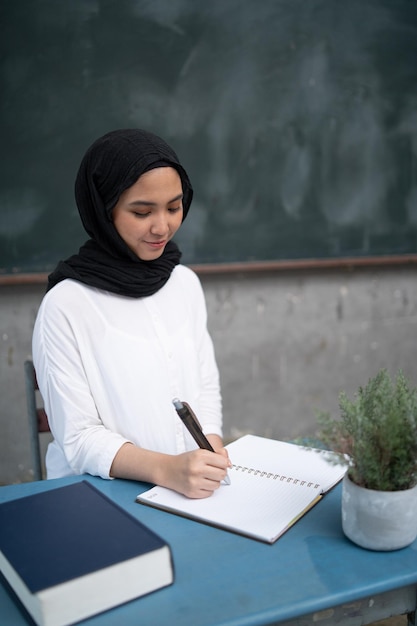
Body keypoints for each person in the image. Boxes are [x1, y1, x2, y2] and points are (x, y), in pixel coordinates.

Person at [32, 129, 231, 499]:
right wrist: (166, 470)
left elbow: (204, 386)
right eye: (142, 212)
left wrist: (211, 445)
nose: (162, 227)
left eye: (174, 207)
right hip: (95, 497)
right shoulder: (66, 306)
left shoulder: (183, 283)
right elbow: (77, 437)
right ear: (103, 210)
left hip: (187, 493)